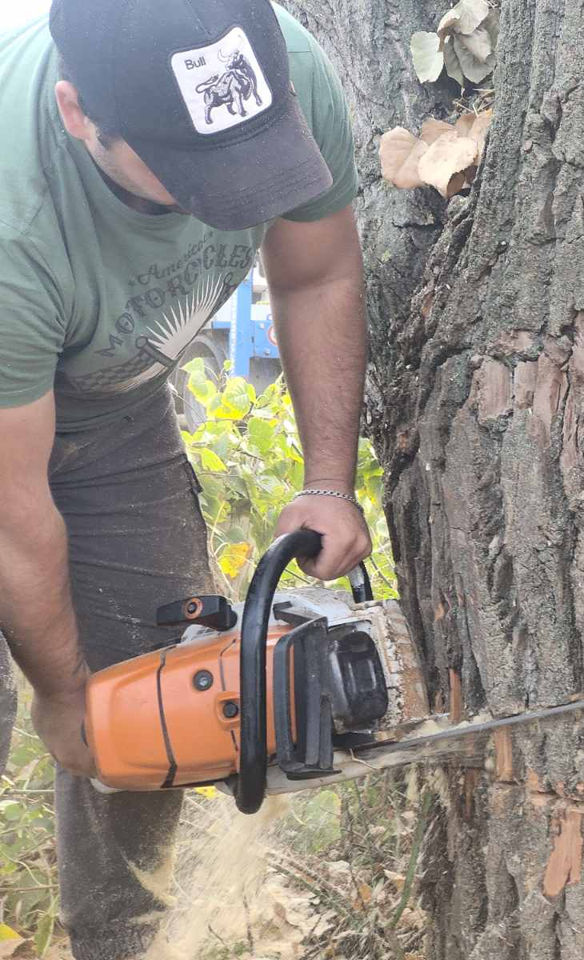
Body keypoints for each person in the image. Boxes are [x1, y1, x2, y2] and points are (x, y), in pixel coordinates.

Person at [0, 0, 372, 956]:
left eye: (252, 163)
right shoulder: (13, 215)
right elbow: (14, 516)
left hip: (113, 414)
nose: (237, 195)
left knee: (147, 716)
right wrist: (56, 691)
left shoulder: (273, 65)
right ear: (80, 115)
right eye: (192, 175)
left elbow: (317, 270)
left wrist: (327, 480)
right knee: (68, 700)